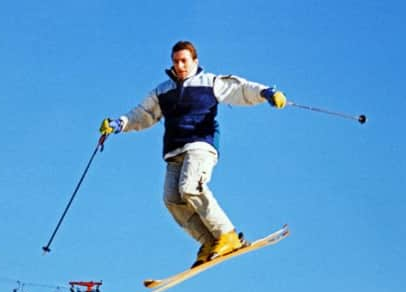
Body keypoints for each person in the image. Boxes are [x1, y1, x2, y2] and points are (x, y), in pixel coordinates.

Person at [100, 40, 286, 268]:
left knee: (190, 187)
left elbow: (240, 89)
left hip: (201, 144)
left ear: (195, 61)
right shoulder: (163, 91)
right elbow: (144, 113)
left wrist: (266, 93)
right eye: (176, 61)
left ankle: (227, 234)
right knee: (172, 198)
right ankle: (210, 241)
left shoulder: (210, 82)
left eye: (184, 61)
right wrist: (120, 123)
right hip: (174, 149)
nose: (180, 66)